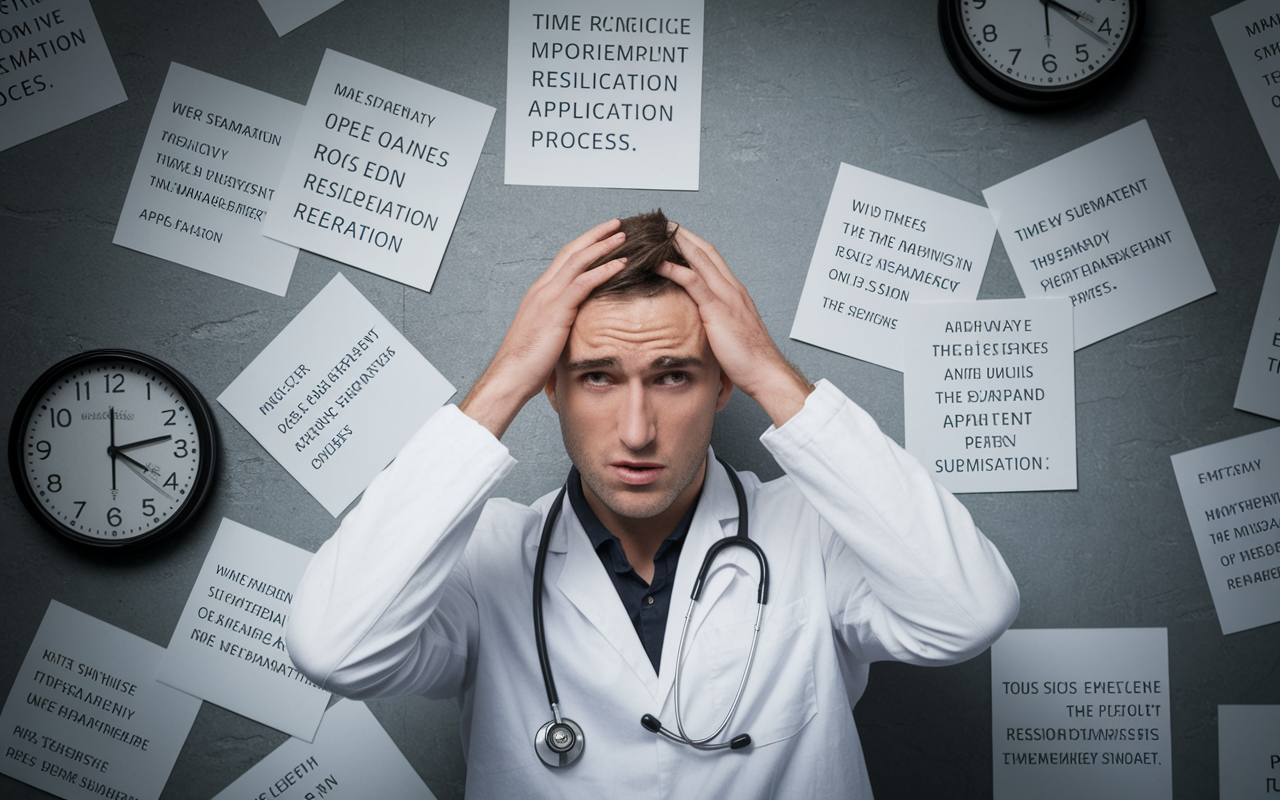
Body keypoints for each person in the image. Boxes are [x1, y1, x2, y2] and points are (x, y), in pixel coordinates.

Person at [287, 211, 1020, 799]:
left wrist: (769, 368)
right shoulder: (485, 560)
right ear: (552, 388)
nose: (637, 432)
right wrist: (507, 373)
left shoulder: (815, 534)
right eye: (598, 377)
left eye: (673, 377)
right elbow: (333, 649)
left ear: (723, 385)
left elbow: (967, 614)